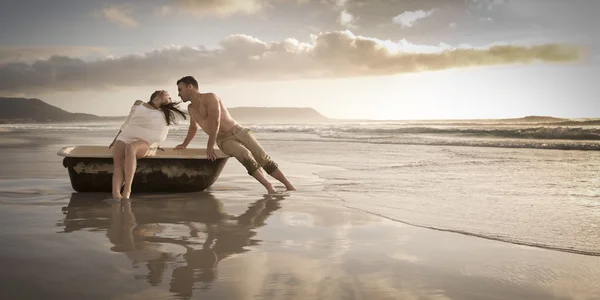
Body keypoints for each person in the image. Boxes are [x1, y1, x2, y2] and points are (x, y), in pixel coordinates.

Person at [174, 76, 295, 194]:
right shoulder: (190, 108)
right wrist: (184, 144)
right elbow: (193, 127)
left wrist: (210, 145)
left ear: (190, 86)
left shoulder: (210, 97)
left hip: (238, 130)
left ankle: (289, 185)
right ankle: (269, 186)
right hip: (223, 140)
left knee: (262, 157)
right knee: (244, 155)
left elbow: (215, 121)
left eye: (180, 89)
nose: (179, 94)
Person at [109, 90, 187, 200]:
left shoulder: (165, 112)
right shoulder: (138, 103)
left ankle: (127, 189)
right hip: (125, 137)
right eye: (168, 96)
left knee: (131, 148)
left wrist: (156, 145)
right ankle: (116, 194)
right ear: (160, 94)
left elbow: (161, 131)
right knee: (118, 166)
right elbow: (127, 122)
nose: (170, 99)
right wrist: (116, 138)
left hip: (143, 143)